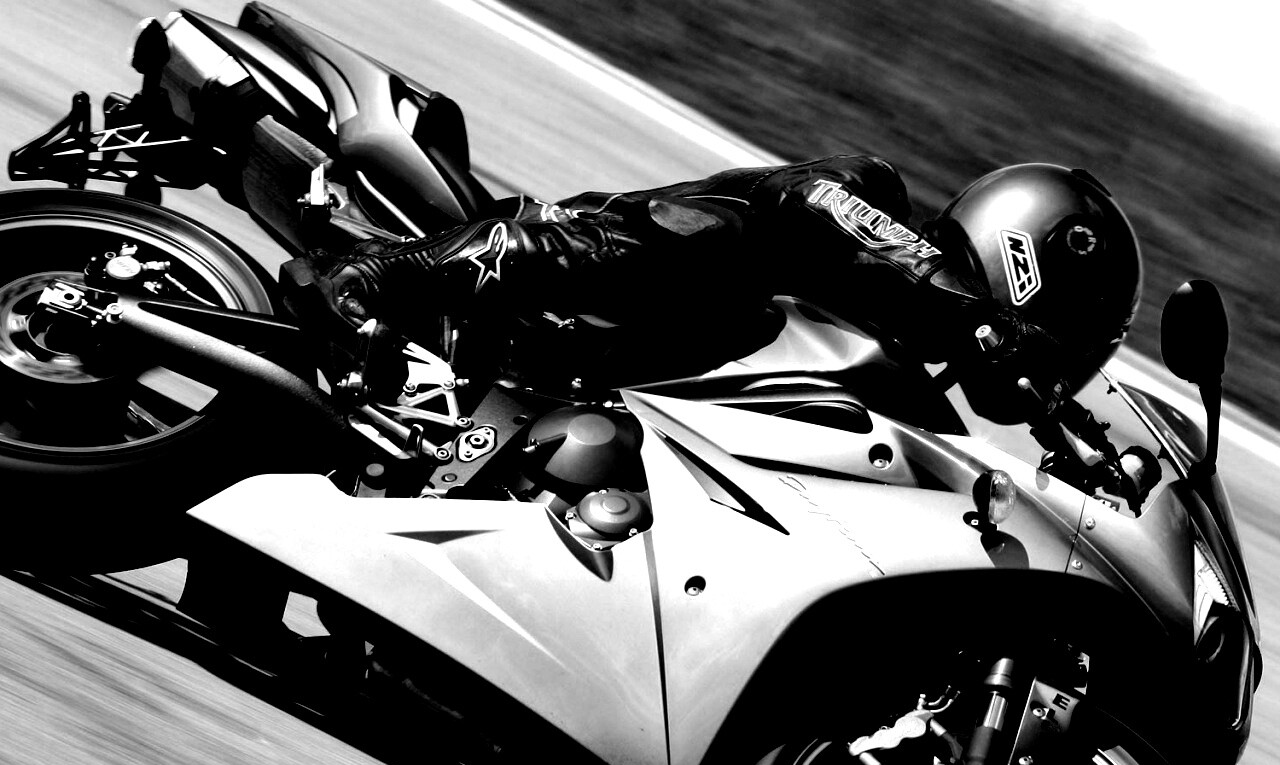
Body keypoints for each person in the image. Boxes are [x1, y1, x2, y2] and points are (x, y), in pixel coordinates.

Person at [296, 156, 1142, 426]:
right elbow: (809, 204)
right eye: (1075, 326)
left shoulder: (901, 377)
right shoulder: (867, 199)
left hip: (604, 388)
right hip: (574, 267)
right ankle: (386, 272)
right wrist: (977, 317)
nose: (1070, 352)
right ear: (1027, 259)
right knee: (724, 243)